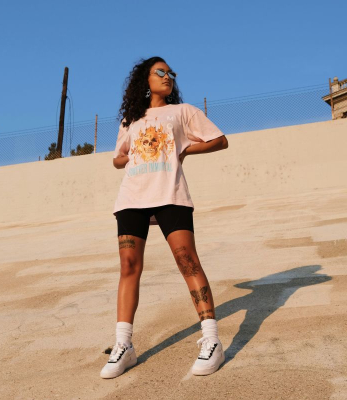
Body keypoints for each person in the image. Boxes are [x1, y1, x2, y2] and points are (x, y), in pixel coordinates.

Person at [100, 56, 228, 379]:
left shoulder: (182, 112)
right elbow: (118, 159)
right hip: (132, 197)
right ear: (146, 79)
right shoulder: (131, 119)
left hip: (170, 193)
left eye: (171, 73)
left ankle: (212, 340)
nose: (168, 76)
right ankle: (124, 346)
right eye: (161, 72)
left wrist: (185, 151)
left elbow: (220, 140)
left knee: (187, 260)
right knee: (129, 267)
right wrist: (129, 157)